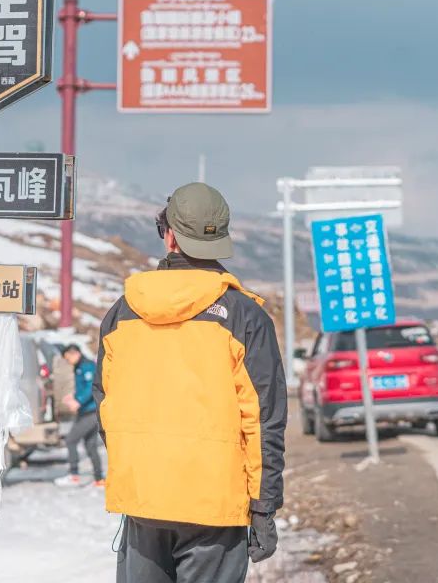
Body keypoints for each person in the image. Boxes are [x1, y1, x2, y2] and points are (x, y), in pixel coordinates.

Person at [94, 182, 287, 583]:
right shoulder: (244, 317)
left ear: (169, 236)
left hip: (143, 500)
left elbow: (104, 403)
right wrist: (263, 507)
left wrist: (138, 464)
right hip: (214, 505)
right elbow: (263, 421)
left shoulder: (123, 313)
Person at [54, 344, 105, 488]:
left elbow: (91, 387)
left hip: (91, 412)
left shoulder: (87, 366)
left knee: (71, 440)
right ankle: (99, 478)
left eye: (68, 358)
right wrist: (73, 397)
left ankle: (73, 475)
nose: (68, 361)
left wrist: (78, 401)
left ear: (75, 353)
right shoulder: (79, 366)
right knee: (90, 445)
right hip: (88, 411)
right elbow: (83, 388)